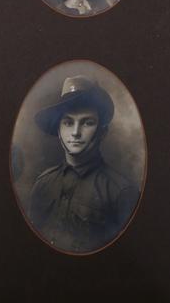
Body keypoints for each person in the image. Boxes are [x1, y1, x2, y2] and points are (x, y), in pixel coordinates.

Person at [28, 75, 139, 253]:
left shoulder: (122, 192)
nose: (75, 133)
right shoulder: (42, 183)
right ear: (58, 131)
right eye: (68, 122)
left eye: (87, 123)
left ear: (102, 132)